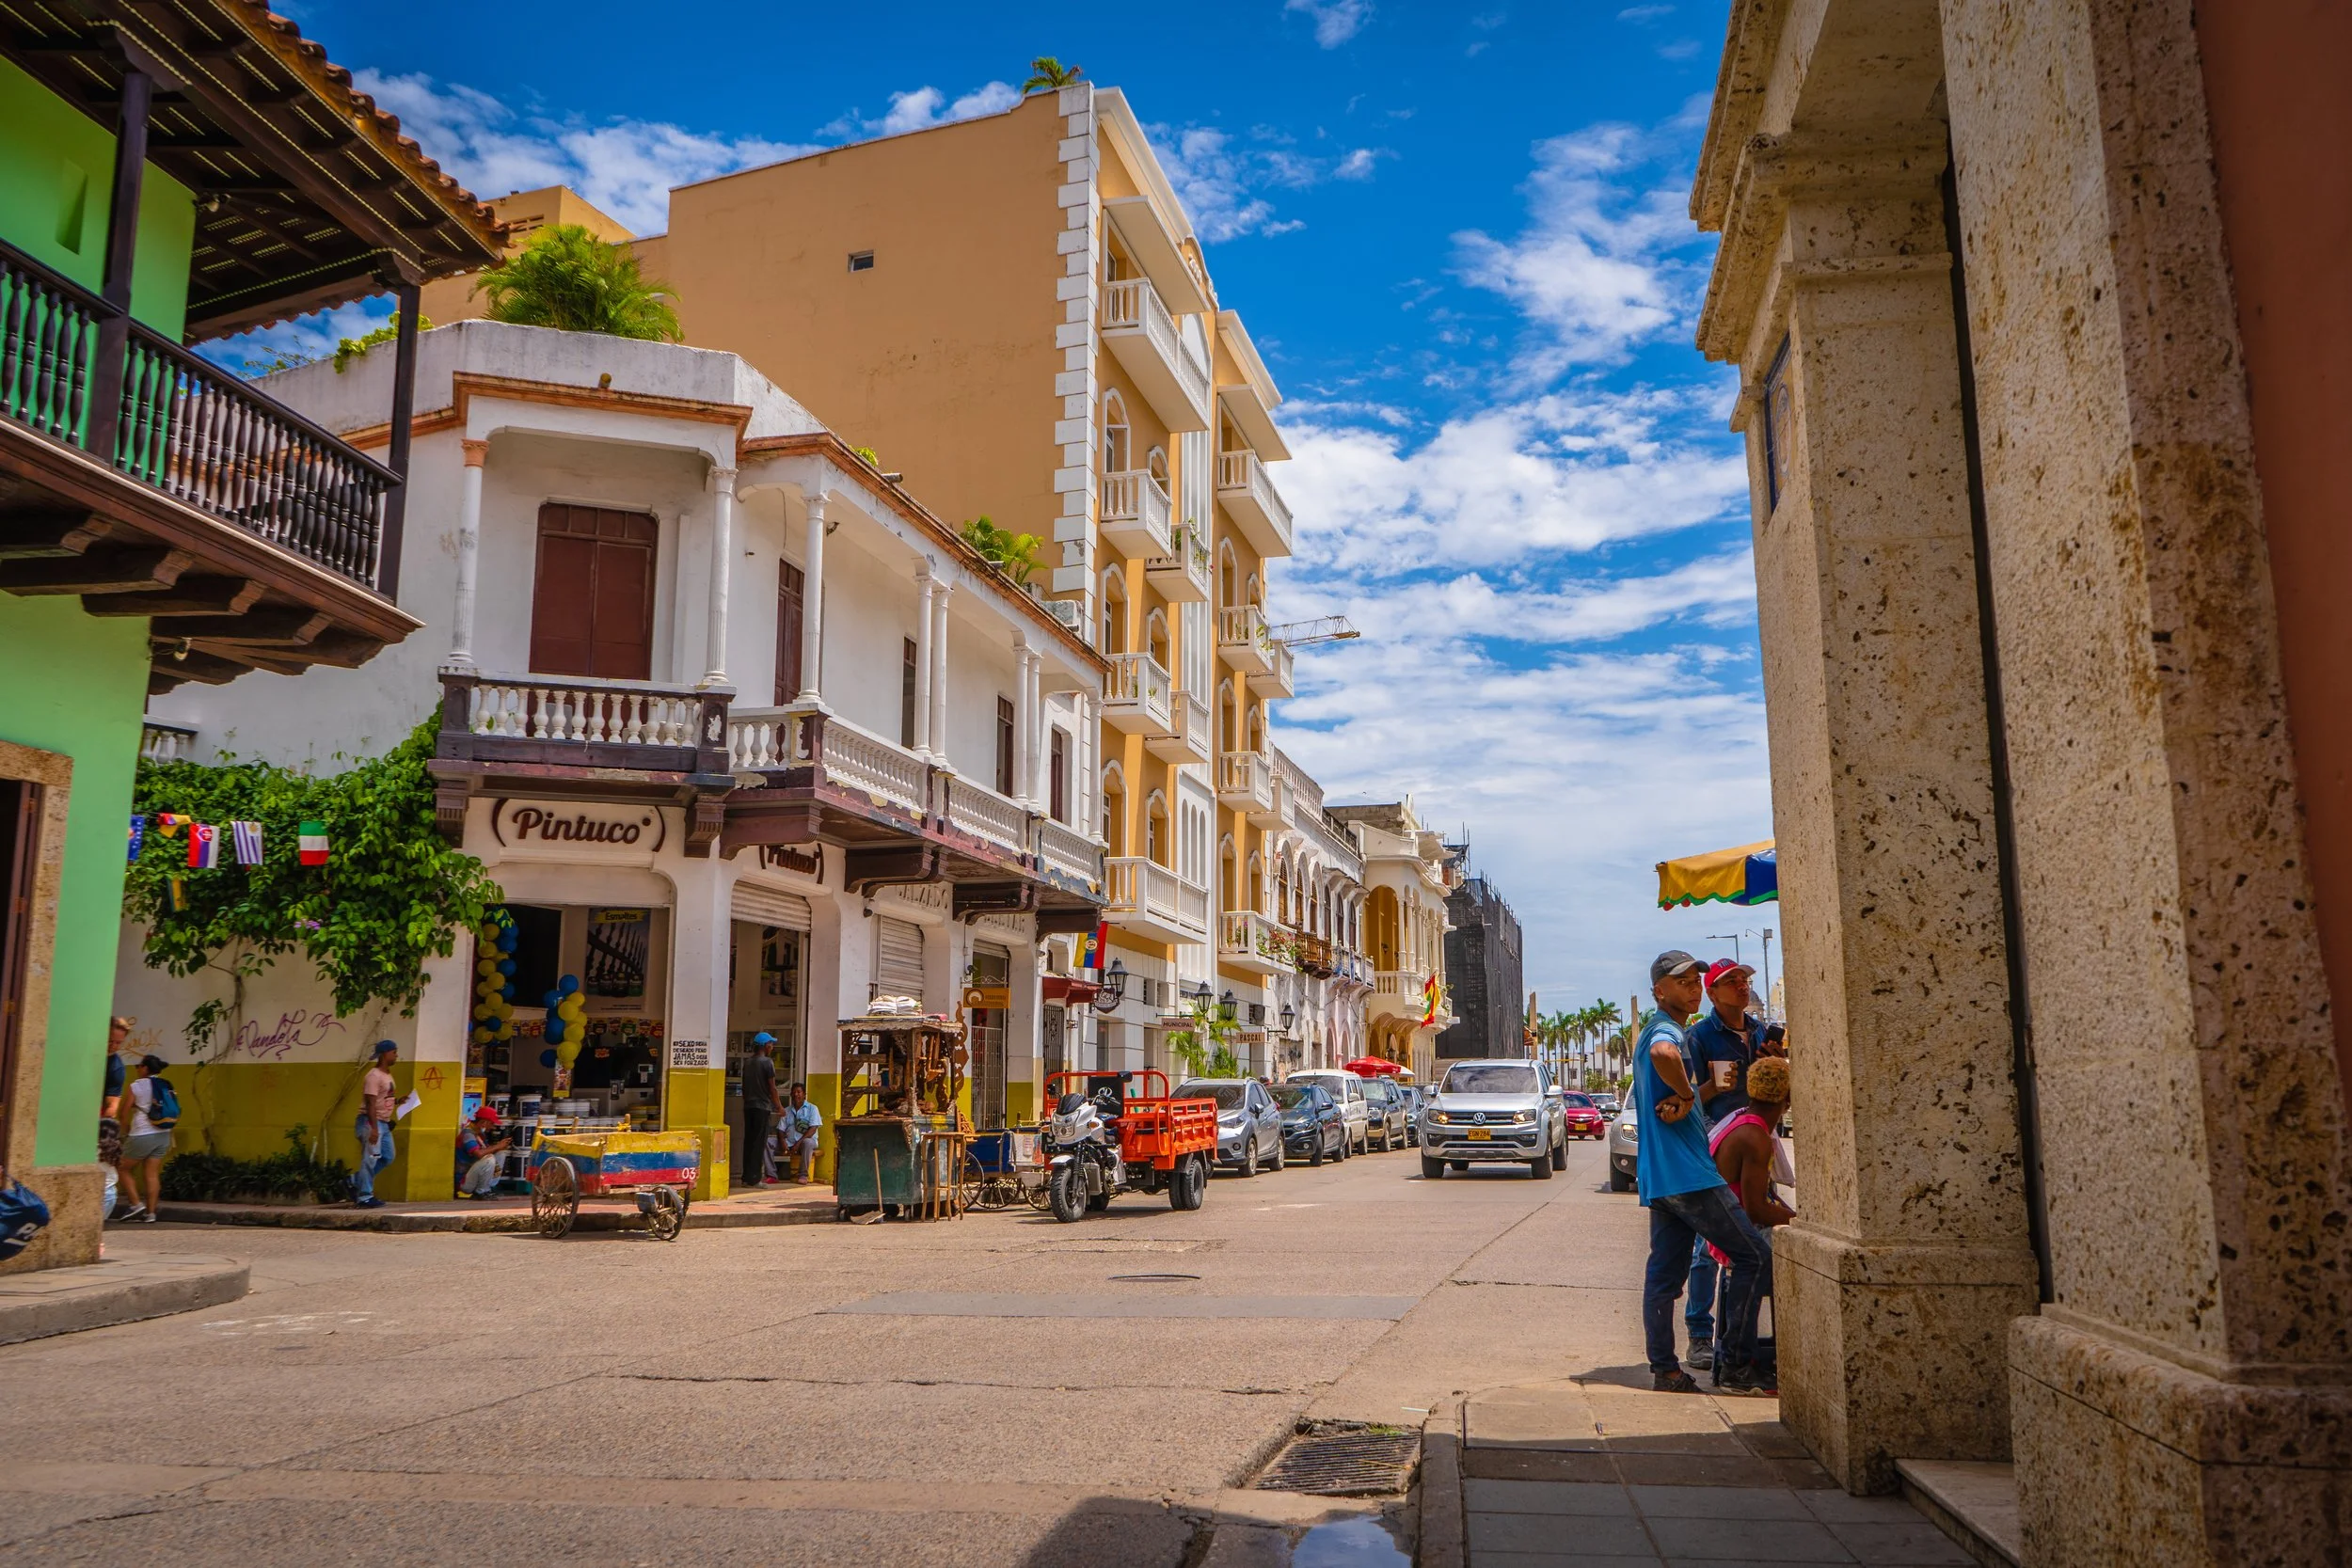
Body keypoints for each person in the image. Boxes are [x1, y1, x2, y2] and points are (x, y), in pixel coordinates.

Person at [1634, 950, 1772, 1394]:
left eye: (1696, 981)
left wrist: (1687, 1093)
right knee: (1754, 1256)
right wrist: (1687, 1094)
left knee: (1664, 1278)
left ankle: (1666, 1370)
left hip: (1662, 1177)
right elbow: (1662, 1053)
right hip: (1691, 1175)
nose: (1693, 988)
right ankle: (1735, 1364)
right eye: (1683, 982)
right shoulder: (1666, 1031)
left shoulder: (1665, 1028)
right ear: (1659, 991)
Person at [1680, 958, 1780, 1370]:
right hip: (1719, 1149)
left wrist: (1776, 1062)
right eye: (1731, 981)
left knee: (1758, 1238)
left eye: (1744, 979)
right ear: (1712, 992)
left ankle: (1744, 1336)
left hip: (1759, 1145)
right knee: (1709, 1246)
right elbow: (1687, 1101)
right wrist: (1713, 1091)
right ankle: (1700, 1335)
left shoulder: (1759, 1032)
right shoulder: (1698, 1037)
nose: (1742, 985)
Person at [1700, 1054, 1796, 1393]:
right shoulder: (1754, 1137)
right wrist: (1802, 1222)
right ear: (1787, 1099)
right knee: (1770, 1259)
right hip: (1731, 1232)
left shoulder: (1741, 1118)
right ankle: (1738, 1363)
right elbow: (1755, 1210)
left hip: (1723, 1224)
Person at [117, 1054, 176, 1224]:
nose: (137, 1069)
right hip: (163, 1133)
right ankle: (151, 1214)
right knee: (152, 1174)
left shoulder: (136, 1086)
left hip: (142, 1134)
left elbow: (123, 1112)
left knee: (121, 1168)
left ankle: (136, 1204)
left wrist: (125, 1129)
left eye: (139, 1066)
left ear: (145, 1068)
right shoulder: (166, 1084)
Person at [351, 1040, 400, 1209]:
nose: (396, 1055)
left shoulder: (387, 1075)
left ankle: (355, 1180)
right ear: (385, 1054)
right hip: (371, 1121)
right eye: (394, 1052)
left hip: (383, 1123)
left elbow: (382, 1099)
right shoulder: (373, 1076)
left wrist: (399, 1101)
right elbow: (370, 1103)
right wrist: (373, 1128)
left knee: (387, 1157)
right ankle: (365, 1196)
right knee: (370, 1159)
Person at [100, 1018, 132, 1220]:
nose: (113, 1046)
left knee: (107, 1183)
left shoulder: (116, 1067)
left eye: (118, 1043)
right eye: (110, 1040)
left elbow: (113, 1105)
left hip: (95, 1124)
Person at [740, 1034, 781, 1187]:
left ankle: (746, 1177)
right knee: (759, 1143)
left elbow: (744, 1087)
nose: (772, 1047)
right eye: (771, 1044)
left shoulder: (748, 1062)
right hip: (762, 1107)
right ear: (765, 1045)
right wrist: (779, 1106)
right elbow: (772, 1088)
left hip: (749, 1106)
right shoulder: (767, 1062)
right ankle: (755, 1179)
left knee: (749, 1142)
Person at [454, 1107, 511, 1199]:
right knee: (489, 1159)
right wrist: (497, 1146)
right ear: (483, 1122)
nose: (493, 1127)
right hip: (464, 1182)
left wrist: (500, 1147)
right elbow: (479, 1154)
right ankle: (481, 1191)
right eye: (491, 1123)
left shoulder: (479, 1134)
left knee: (501, 1154)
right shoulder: (468, 1134)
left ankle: (488, 1187)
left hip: (474, 1177)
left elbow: (486, 1150)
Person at [777, 1082, 823, 1182]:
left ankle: (803, 1175)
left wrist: (798, 1143)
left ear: (804, 1095)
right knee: (768, 1143)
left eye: (798, 1092)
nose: (796, 1094)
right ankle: (771, 1175)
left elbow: (813, 1129)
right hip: (789, 1142)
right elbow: (780, 1129)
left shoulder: (812, 1109)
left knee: (808, 1142)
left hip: (804, 1142)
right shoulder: (787, 1110)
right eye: (793, 1092)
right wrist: (783, 1142)